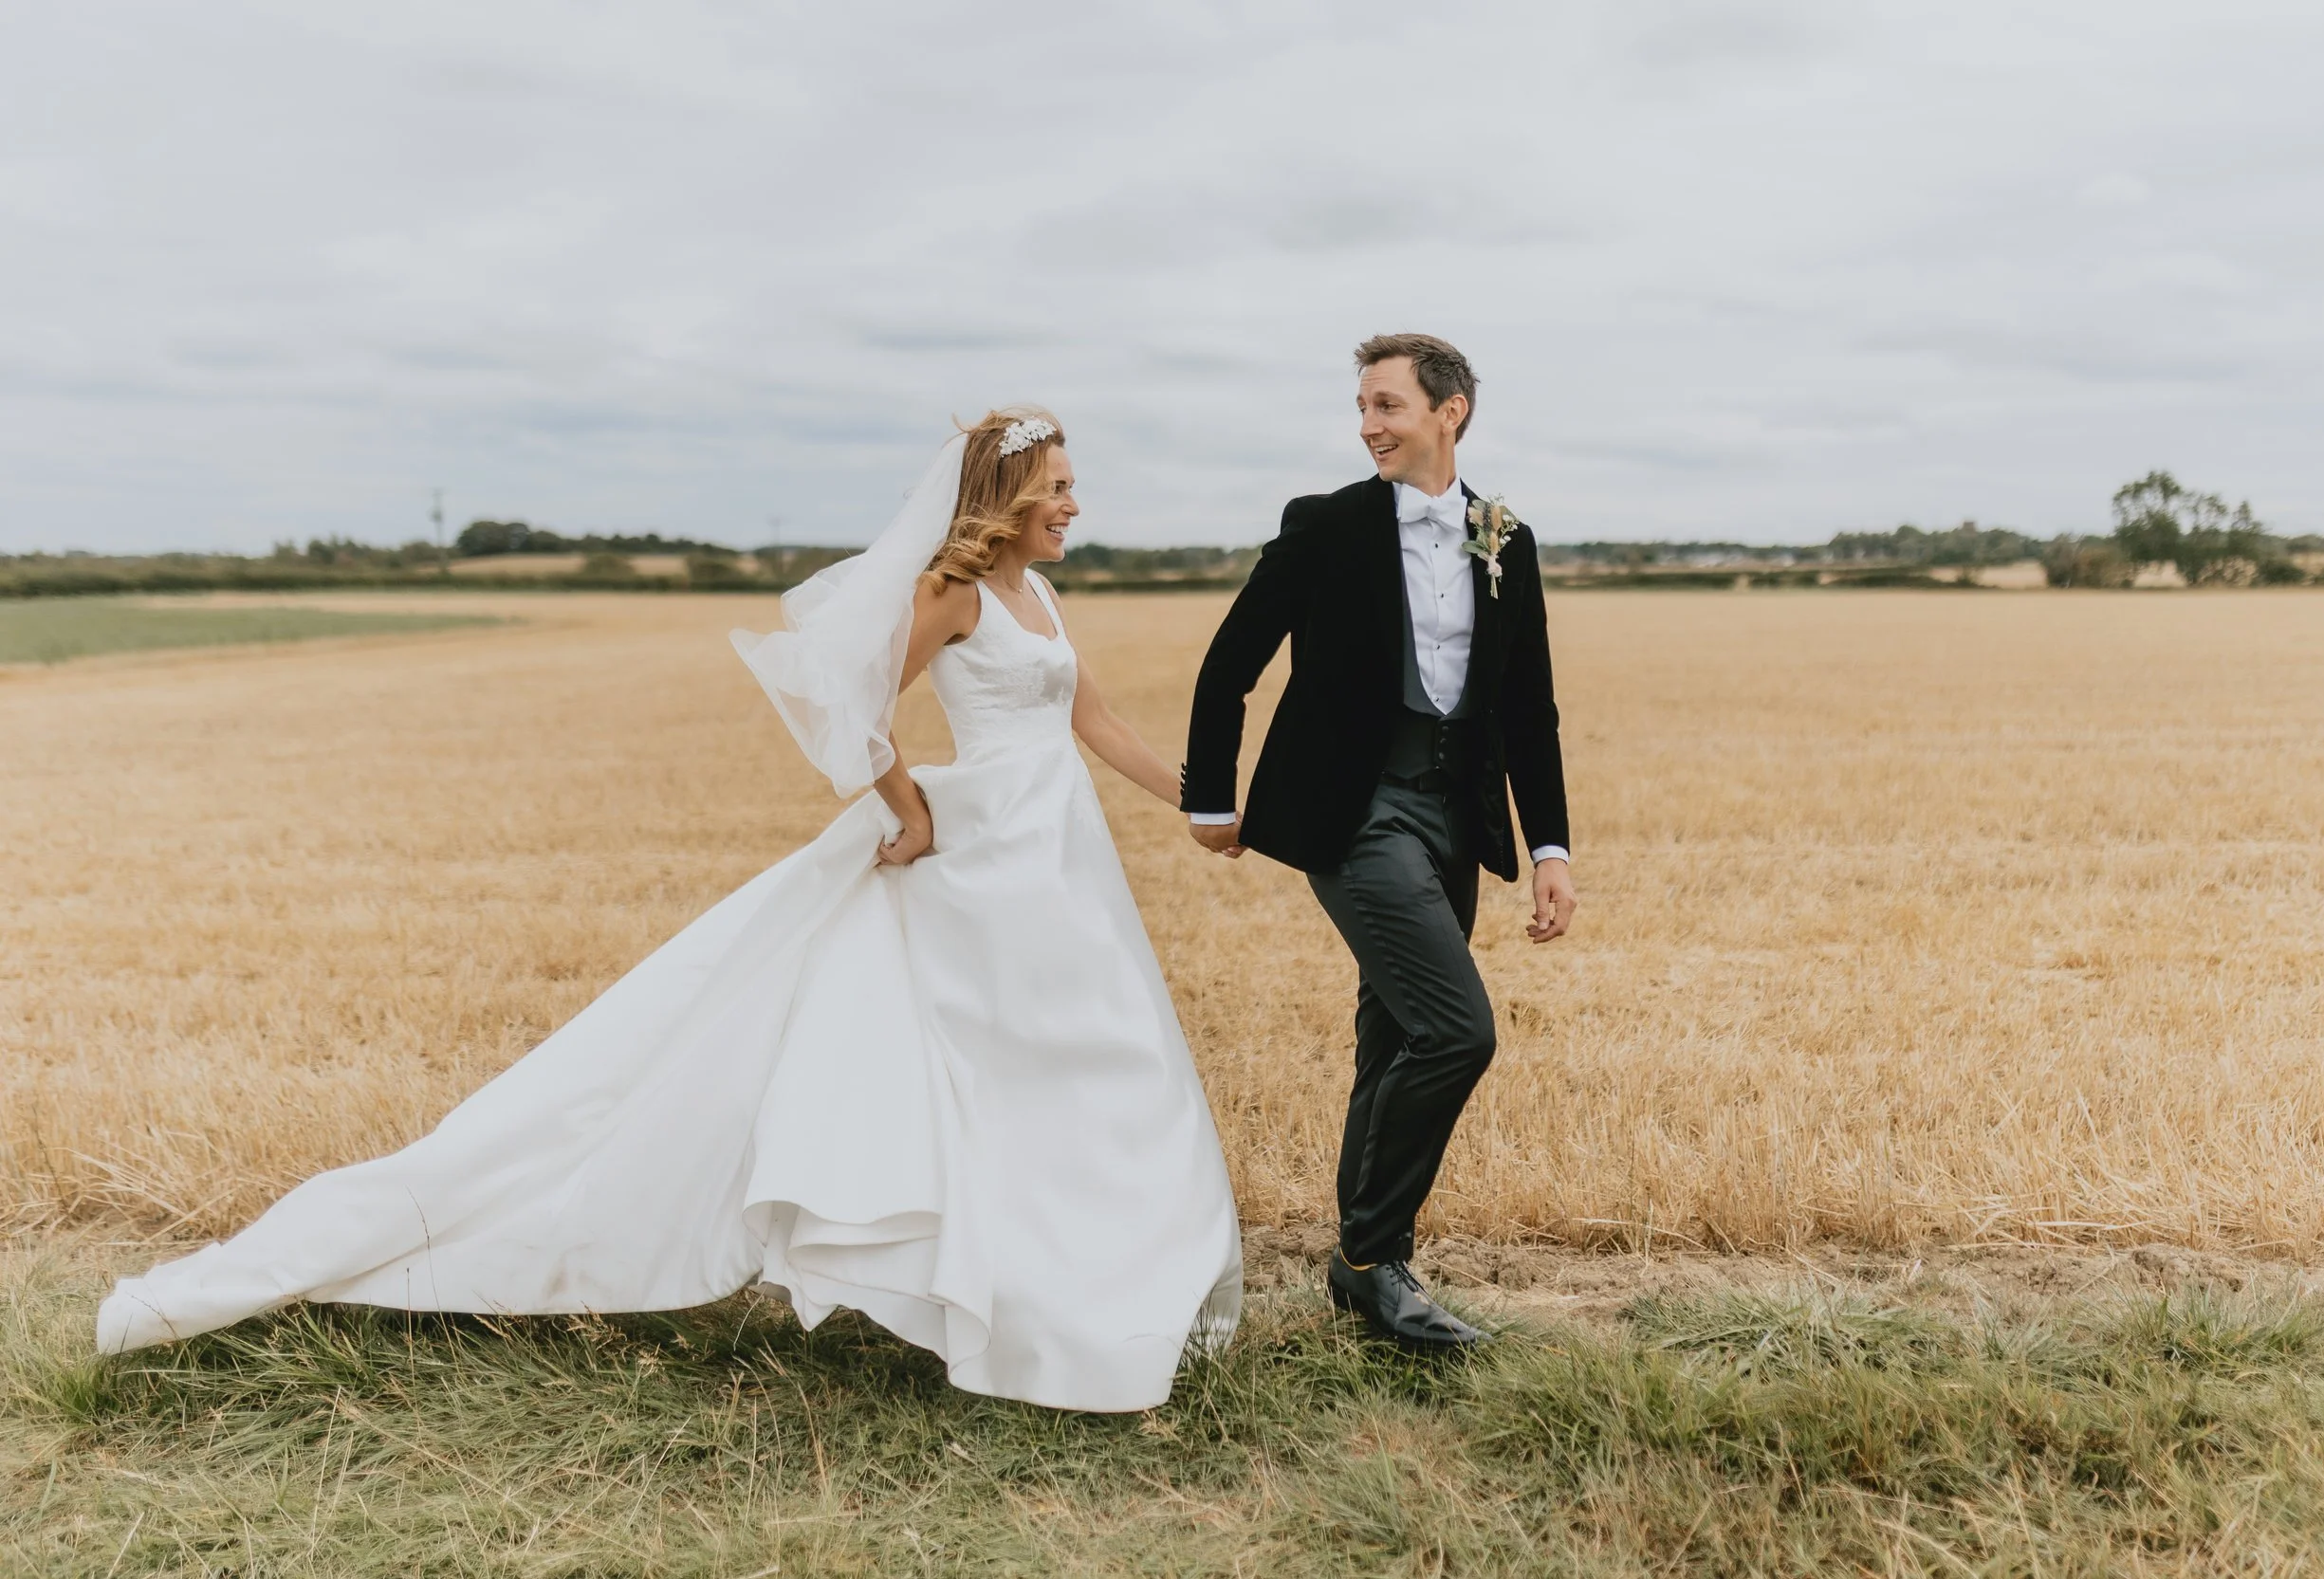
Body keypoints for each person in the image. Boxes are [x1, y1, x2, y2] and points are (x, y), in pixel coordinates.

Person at [97, 409, 1244, 1414]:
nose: (1074, 507)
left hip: (1061, 858)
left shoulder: (1039, 592)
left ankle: (1085, 1281)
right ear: (1006, 497)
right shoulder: (948, 596)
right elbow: (847, 703)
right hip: (982, 853)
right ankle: (1008, 1296)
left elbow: (1098, 725)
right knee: (989, 1068)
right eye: (1058, 491)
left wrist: (1203, 805)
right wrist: (911, 812)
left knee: (1083, 1056)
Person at [1183, 334, 1573, 1351]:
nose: (1368, 425)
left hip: (1456, 816)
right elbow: (1229, 664)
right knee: (1456, 1032)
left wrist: (1550, 851)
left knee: (1395, 1033)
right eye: (1361, 406)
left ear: (1451, 413)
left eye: (1388, 405)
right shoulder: (1325, 528)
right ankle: (1369, 1258)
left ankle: (1364, 1265)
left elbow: (1529, 708)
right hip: (1354, 812)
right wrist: (1209, 798)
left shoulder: (1503, 537)